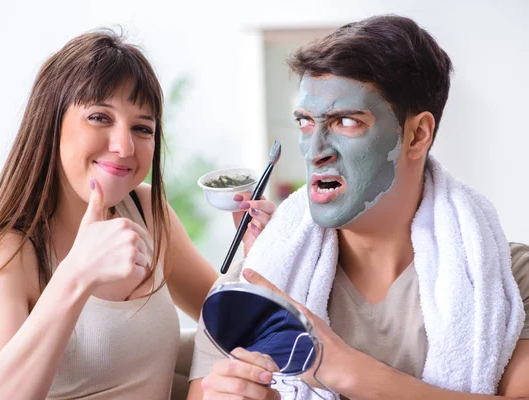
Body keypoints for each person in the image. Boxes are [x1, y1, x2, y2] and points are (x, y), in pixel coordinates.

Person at [187, 15, 529, 400]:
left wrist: (338, 368)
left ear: (417, 135)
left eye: (345, 121)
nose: (315, 152)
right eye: (304, 123)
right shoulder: (255, 276)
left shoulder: (508, 278)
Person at [0, 29, 276, 399]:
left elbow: (224, 318)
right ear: (50, 124)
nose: (124, 147)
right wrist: (76, 275)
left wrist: (255, 254)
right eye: (99, 118)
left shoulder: (147, 212)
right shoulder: (9, 254)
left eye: (142, 128)